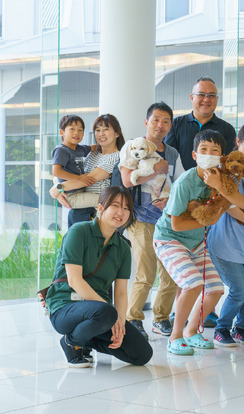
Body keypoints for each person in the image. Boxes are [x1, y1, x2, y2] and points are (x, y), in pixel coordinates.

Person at [154, 129, 244, 355]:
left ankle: (192, 331)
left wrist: (218, 185)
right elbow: (176, 225)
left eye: (215, 150)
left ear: (222, 156)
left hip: (196, 244)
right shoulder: (185, 182)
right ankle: (175, 337)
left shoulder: (222, 179)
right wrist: (212, 218)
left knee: (216, 289)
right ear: (194, 155)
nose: (209, 154)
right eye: (203, 150)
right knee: (193, 284)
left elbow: (243, 204)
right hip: (170, 240)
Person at [46, 186, 152, 367]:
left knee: (142, 354)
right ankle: (71, 342)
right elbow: (74, 280)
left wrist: (119, 321)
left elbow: (120, 293)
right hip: (65, 307)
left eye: (127, 208)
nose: (121, 212)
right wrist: (110, 315)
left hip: (100, 316)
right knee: (106, 312)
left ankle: (86, 340)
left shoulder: (123, 248)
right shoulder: (79, 232)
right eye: (116, 205)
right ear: (100, 208)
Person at [120, 102, 180, 340]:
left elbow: (179, 183)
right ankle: (133, 318)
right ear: (147, 122)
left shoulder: (173, 153)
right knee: (146, 273)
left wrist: (171, 201)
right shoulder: (133, 146)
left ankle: (161, 318)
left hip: (166, 221)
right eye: (156, 119)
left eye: (166, 121)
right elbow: (126, 180)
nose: (160, 125)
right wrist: (156, 170)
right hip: (140, 217)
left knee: (170, 273)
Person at [207, 122, 244, 347]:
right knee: (240, 290)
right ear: (238, 141)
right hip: (223, 242)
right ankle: (222, 328)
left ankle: (241, 328)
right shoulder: (223, 170)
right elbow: (230, 205)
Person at [50, 114, 125, 225]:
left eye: (106, 129)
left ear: (117, 133)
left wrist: (56, 189)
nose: (101, 134)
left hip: (97, 215)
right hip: (80, 212)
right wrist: (58, 187)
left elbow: (87, 180)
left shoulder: (116, 157)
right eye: (97, 130)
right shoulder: (93, 154)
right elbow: (73, 174)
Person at [165, 77, 236, 170]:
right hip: (180, 182)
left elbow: (227, 164)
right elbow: (169, 157)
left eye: (212, 95)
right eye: (201, 94)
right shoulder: (176, 124)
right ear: (192, 97)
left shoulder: (227, 129)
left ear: (217, 99)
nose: (206, 99)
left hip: (214, 182)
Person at [51, 114, 98, 226]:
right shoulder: (61, 150)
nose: (76, 133)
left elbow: (94, 147)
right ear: (62, 132)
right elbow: (56, 172)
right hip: (71, 195)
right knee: (101, 199)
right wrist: (79, 178)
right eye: (72, 129)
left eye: (80, 130)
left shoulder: (79, 148)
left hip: (80, 190)